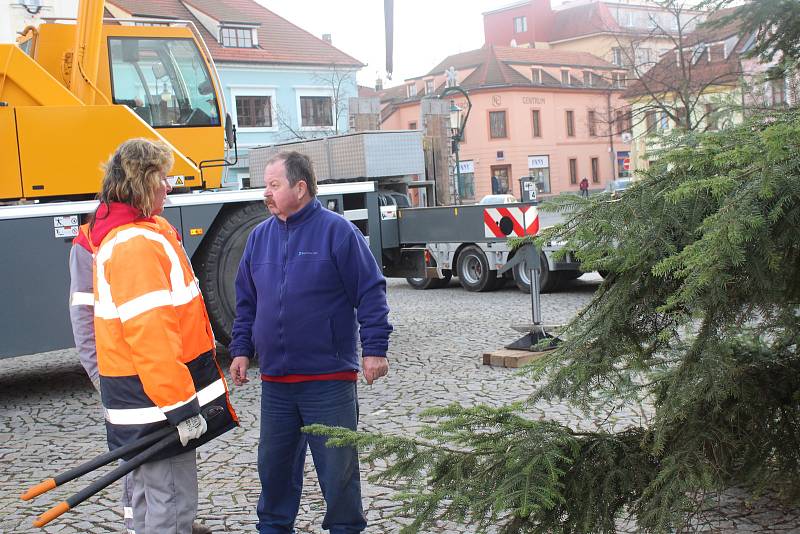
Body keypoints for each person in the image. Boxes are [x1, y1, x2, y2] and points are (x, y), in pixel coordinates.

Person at [74, 137, 237, 534]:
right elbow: (153, 340)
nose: (169, 186)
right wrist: (182, 409)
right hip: (157, 406)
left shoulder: (131, 235)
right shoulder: (135, 244)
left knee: (151, 496)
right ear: (143, 183)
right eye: (162, 178)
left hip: (143, 402)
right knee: (172, 503)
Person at [229, 151, 393, 534]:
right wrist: (240, 349)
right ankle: (272, 528)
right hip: (276, 384)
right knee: (273, 471)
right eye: (265, 185)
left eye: (274, 185)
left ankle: (345, 529)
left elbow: (370, 291)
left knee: (338, 474)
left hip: (328, 380)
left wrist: (374, 349)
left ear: (300, 188)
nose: (265, 193)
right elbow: (246, 300)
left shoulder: (337, 232)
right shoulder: (259, 238)